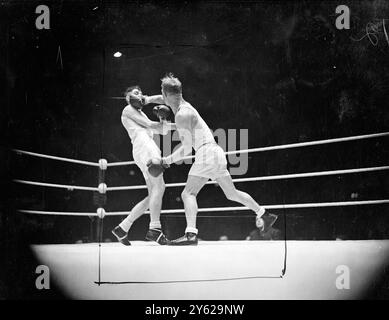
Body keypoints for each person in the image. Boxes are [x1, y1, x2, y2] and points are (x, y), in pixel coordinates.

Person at [147, 73, 278, 245]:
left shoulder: (181, 115)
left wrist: (166, 161)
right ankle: (264, 214)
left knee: (188, 193)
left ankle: (191, 234)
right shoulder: (184, 105)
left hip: (206, 153)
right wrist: (146, 99)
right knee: (231, 193)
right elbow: (164, 98)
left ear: (165, 95)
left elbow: (186, 149)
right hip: (216, 152)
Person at [111, 85, 175, 246]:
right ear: (128, 98)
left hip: (142, 149)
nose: (139, 95)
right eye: (135, 93)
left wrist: (170, 122)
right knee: (160, 188)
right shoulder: (127, 110)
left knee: (152, 194)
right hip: (146, 148)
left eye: (141, 92)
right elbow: (152, 125)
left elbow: (161, 129)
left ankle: (123, 227)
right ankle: (155, 229)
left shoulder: (140, 112)